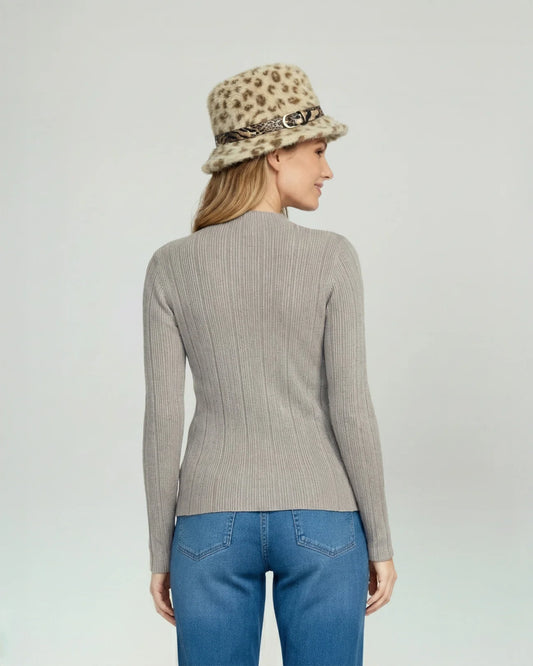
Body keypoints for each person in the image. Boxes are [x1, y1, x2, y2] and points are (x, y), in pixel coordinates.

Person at [142, 62, 397, 666]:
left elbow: (162, 420)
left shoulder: (171, 264)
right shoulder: (332, 256)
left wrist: (160, 551)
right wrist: (380, 540)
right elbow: (351, 408)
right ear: (276, 154)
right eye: (318, 151)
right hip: (323, 516)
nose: (328, 170)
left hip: (208, 522)